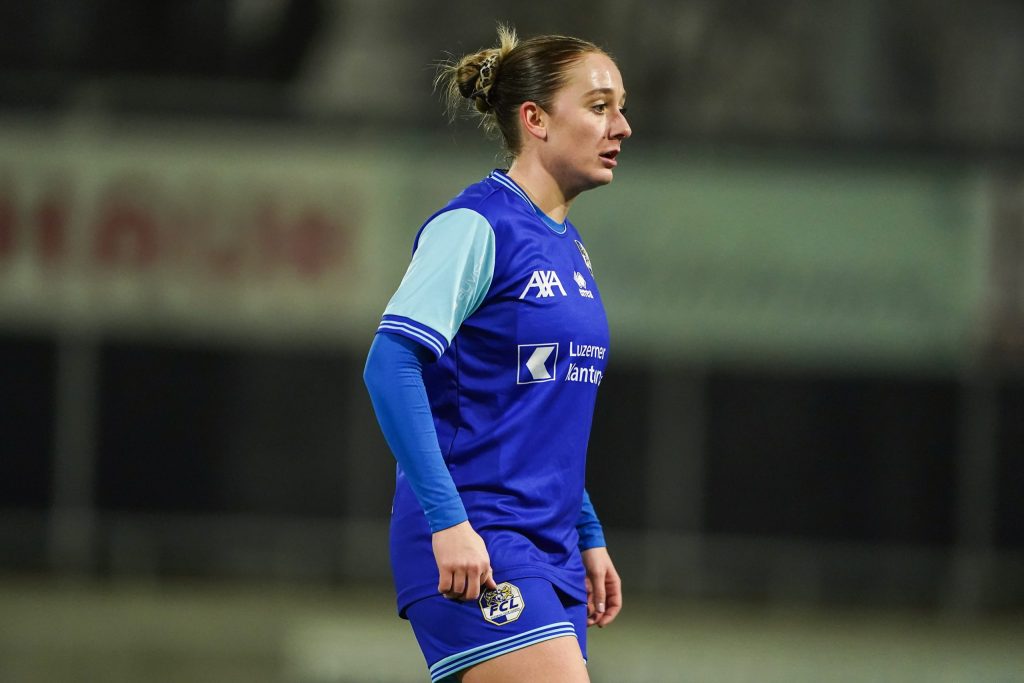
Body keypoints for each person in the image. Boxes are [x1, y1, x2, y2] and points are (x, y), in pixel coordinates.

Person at [363, 24, 631, 682]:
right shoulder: (476, 226)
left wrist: (586, 531)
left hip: (551, 547)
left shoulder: (568, 247)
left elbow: (531, 415)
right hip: (477, 535)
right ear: (535, 119)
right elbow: (390, 363)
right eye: (599, 107)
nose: (621, 127)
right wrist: (448, 520)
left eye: (621, 108)